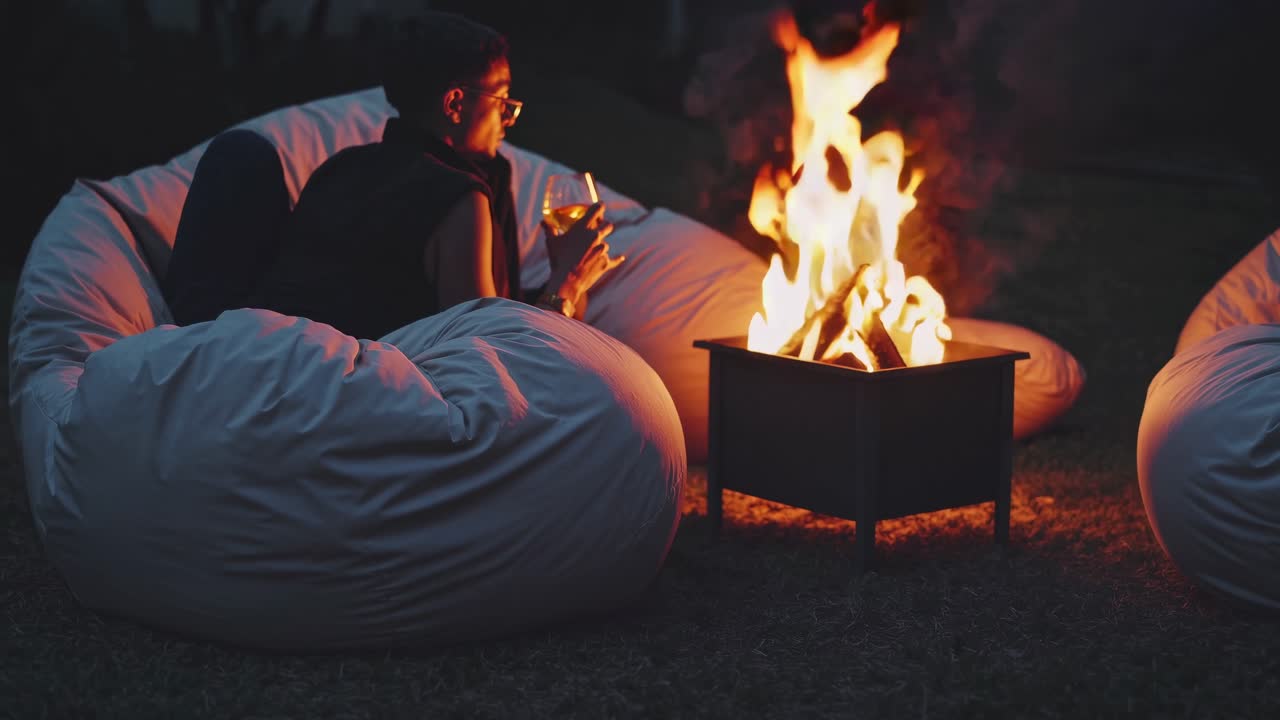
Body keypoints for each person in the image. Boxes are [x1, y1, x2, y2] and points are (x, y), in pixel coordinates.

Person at [161, 11, 623, 339]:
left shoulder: (338, 169)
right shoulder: (458, 199)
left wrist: (569, 278)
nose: (509, 117)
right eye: (502, 100)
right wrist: (565, 282)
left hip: (259, 349)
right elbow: (489, 355)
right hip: (352, 391)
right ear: (456, 104)